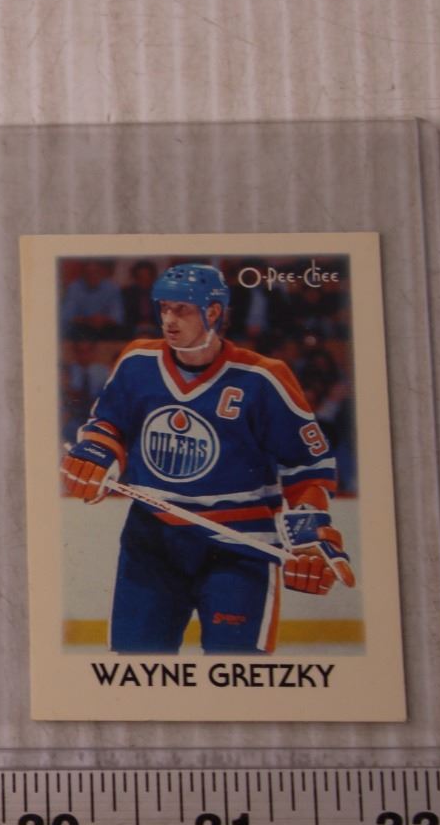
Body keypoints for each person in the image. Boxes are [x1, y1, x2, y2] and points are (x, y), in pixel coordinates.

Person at [59, 264, 355, 654]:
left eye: (181, 309)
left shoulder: (263, 378)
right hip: (152, 539)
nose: (168, 319)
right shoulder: (137, 360)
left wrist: (310, 537)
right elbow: (108, 423)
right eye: (164, 308)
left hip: (238, 545)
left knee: (236, 671)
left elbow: (308, 467)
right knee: (136, 669)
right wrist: (97, 456)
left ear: (213, 311)